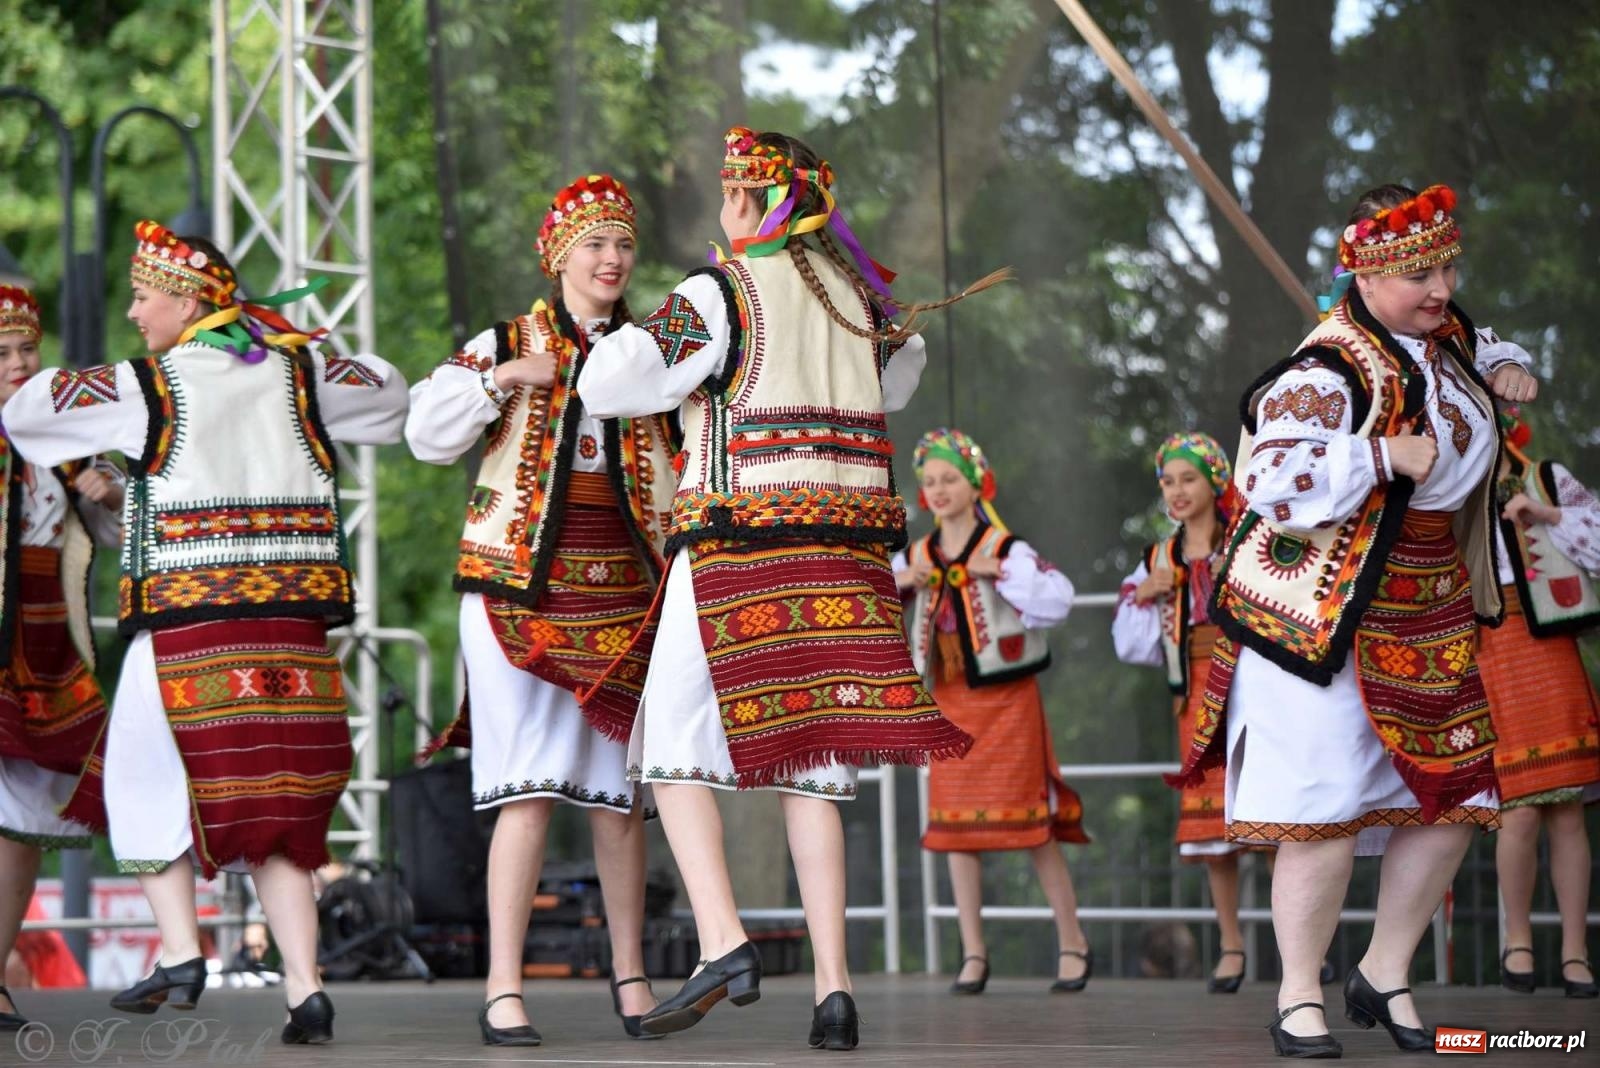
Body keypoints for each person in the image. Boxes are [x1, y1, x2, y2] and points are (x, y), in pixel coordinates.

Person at [577, 126, 1001, 1050]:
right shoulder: (860, 301)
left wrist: (682, 316)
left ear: (748, 201)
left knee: (667, 737)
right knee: (814, 760)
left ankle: (724, 941)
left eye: (733, 193)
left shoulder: (720, 291)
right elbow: (899, 381)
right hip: (846, 560)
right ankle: (835, 990)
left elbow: (611, 380)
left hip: (739, 548)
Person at [2, 222, 408, 1045]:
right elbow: (392, 393)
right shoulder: (300, 369)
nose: (133, 311)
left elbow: (29, 411)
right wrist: (279, 340)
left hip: (191, 622)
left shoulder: (151, 381)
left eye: (144, 296)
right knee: (280, 807)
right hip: (290, 627)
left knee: (140, 783)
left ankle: (183, 950)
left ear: (187, 300)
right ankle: (305, 987)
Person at [1166, 183, 1539, 1057]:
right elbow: (1267, 481)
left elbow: (1480, 343)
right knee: (1324, 806)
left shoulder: (1442, 335)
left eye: (1447, 265)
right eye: (1419, 271)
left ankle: (1382, 970)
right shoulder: (1325, 368)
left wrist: (1508, 364)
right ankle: (1300, 995)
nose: (1441, 285)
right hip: (1324, 616)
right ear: (1365, 279)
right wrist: (1377, 452)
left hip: (1427, 600)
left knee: (1460, 795)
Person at [406, 173, 677, 1045]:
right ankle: (502, 987)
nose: (611, 258)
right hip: (513, 590)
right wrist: (504, 379)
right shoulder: (506, 340)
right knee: (524, 790)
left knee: (617, 798)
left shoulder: (649, 353)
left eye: (622, 244)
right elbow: (423, 431)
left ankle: (632, 977)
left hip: (625, 593)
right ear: (559, 254)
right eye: (594, 244)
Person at [893, 428, 1091, 994]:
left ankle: (1072, 941)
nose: (938, 490)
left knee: (1033, 825)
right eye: (930, 481)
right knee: (954, 829)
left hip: (1008, 703)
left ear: (976, 483)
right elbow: (877, 594)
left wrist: (996, 574)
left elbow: (1057, 600)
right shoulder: (917, 554)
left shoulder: (1007, 549)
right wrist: (910, 579)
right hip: (949, 701)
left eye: (949, 478)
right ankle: (973, 952)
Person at [0, 285, 121, 1031]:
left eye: (25, 350)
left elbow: (112, 533)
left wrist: (108, 495)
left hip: (44, 644)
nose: (16, 363)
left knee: (19, 818)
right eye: (1, 353)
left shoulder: (65, 439)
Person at [1113, 431, 1254, 993]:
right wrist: (1147, 592)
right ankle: (1232, 946)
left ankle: (1300, 945)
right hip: (1195, 696)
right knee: (1216, 827)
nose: (1175, 490)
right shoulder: (1158, 558)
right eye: (1167, 481)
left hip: (1250, 689)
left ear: (1215, 480)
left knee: (1272, 821)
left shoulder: (1247, 541)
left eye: (1188, 478)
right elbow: (1130, 643)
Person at [1479, 409, 1599, 999]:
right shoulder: (1442, 494)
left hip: (1548, 642)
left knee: (1567, 808)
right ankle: (1518, 939)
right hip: (1487, 649)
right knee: (1519, 806)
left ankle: (1575, 951)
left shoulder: (1546, 478)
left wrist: (1546, 515)